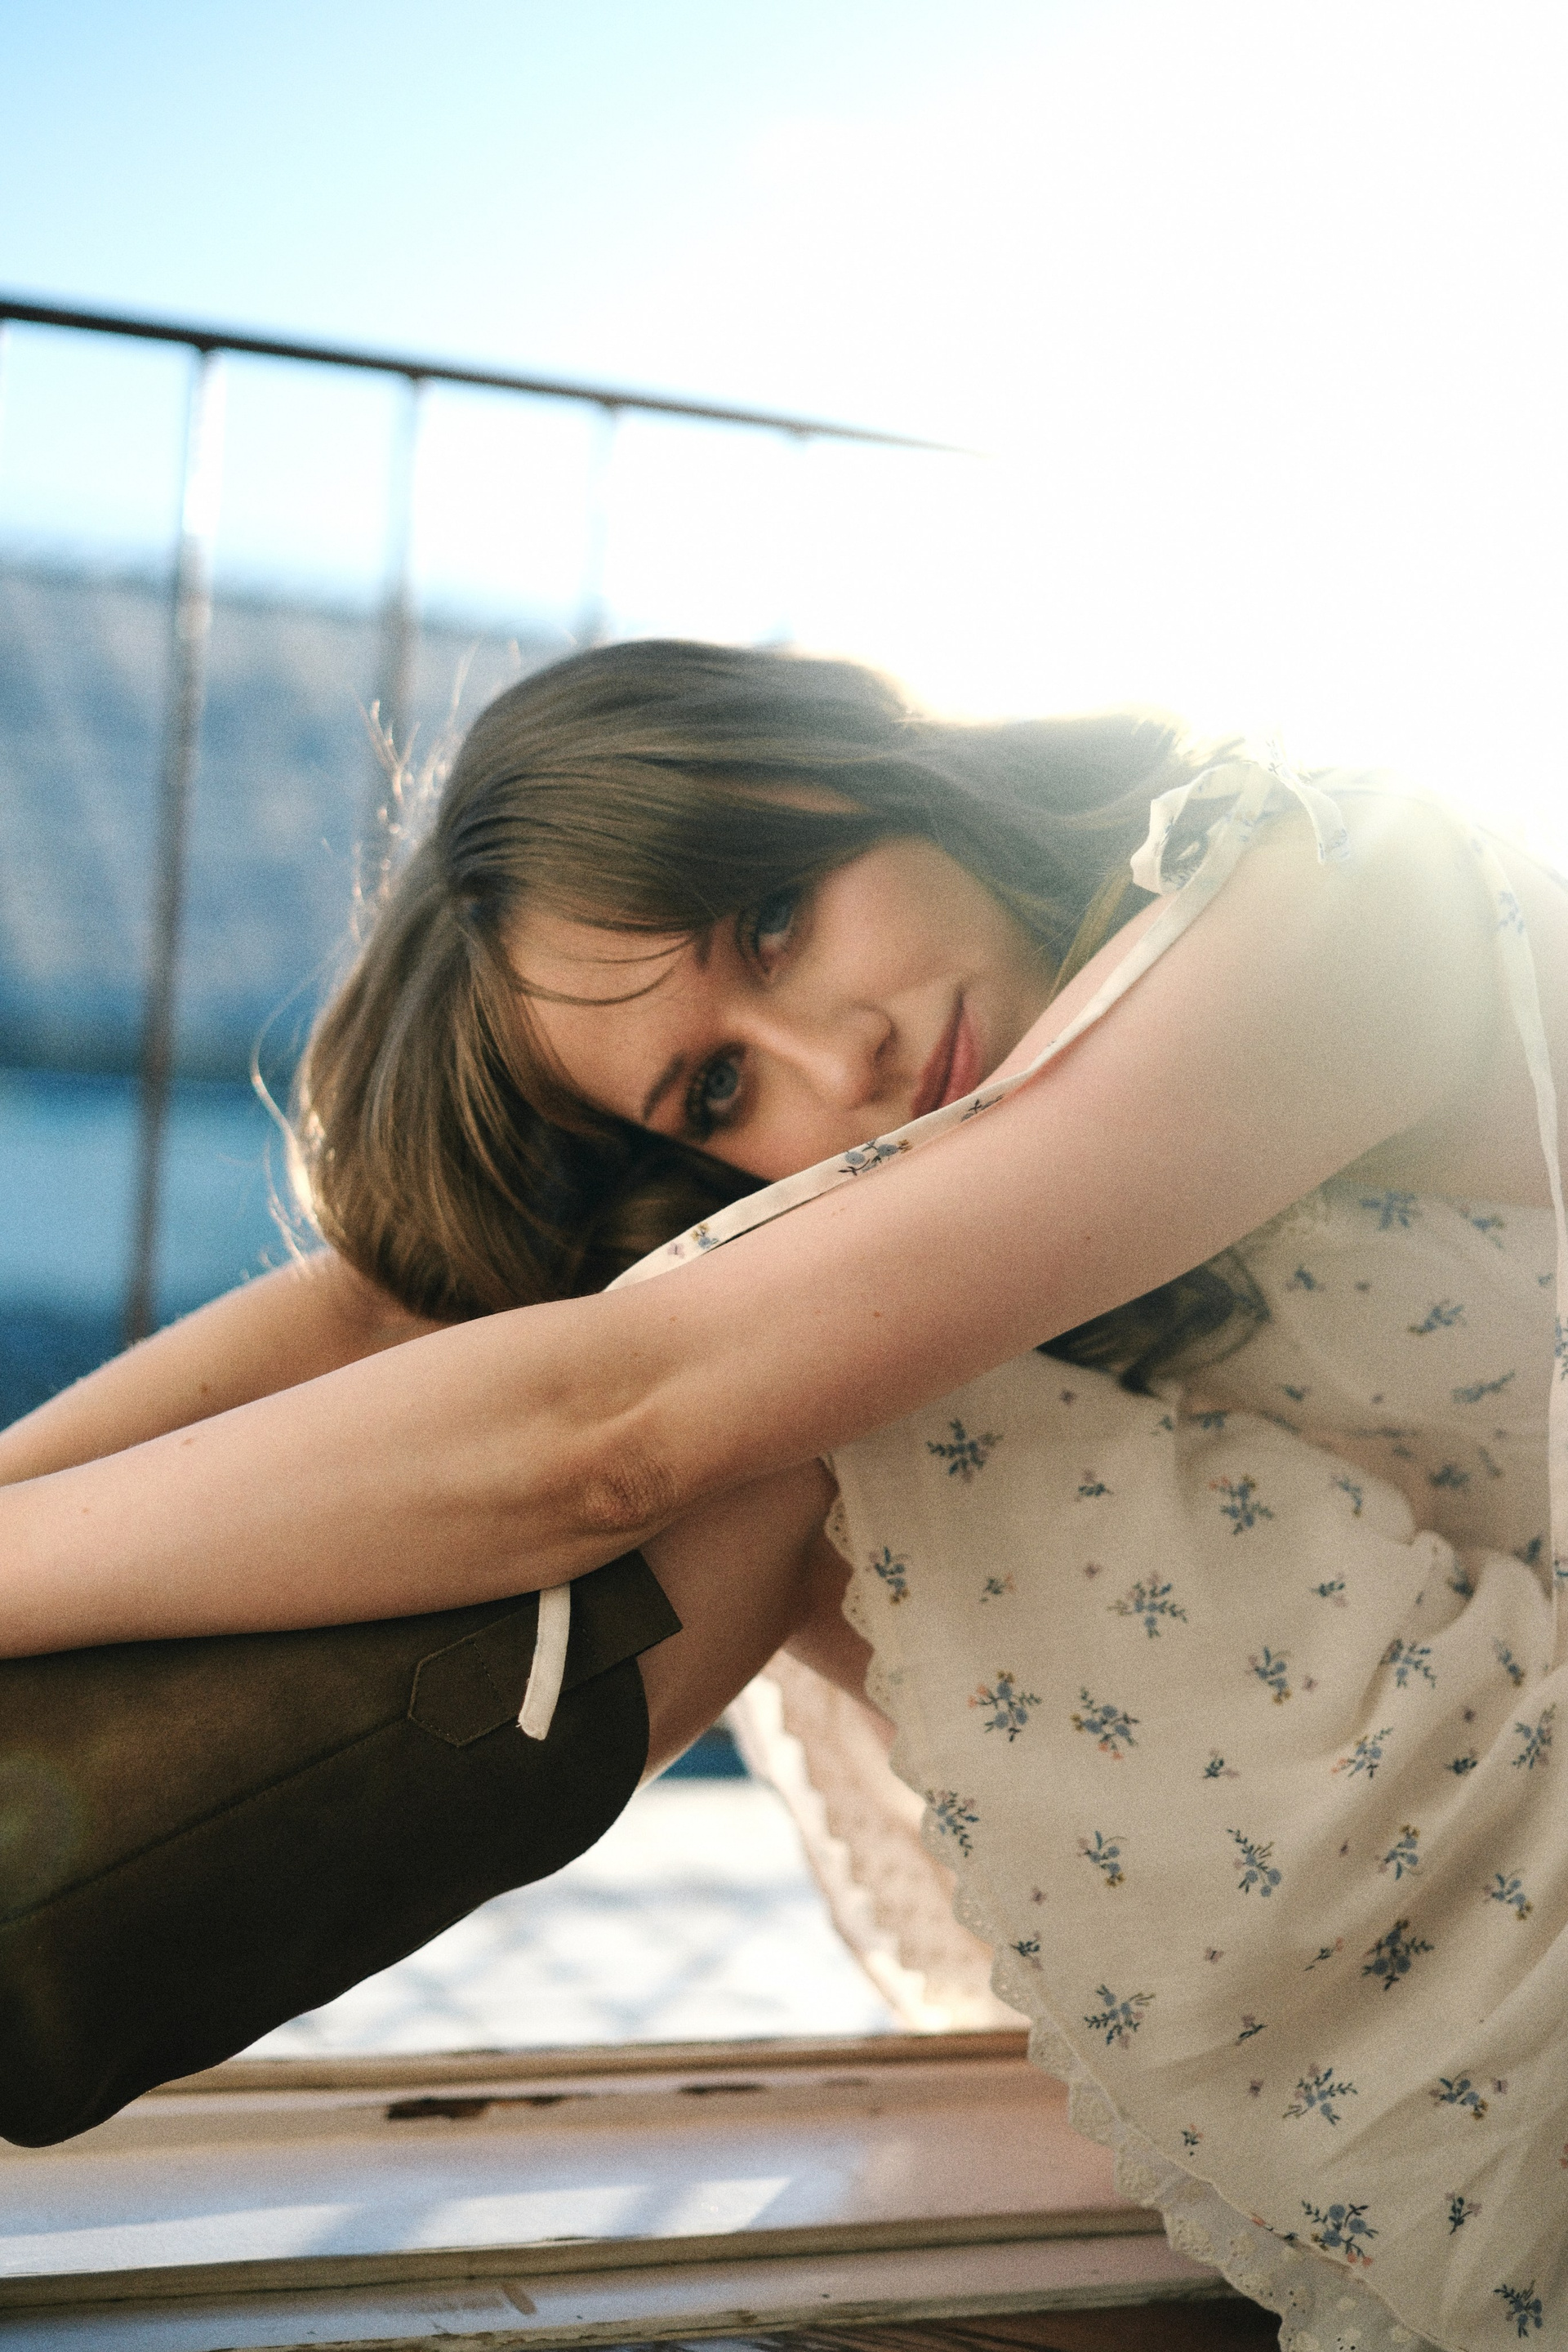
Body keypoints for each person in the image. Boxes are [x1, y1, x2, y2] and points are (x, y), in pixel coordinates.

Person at [1, 641, 1563, 2350]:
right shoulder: (972, 1137)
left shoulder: (1350, 890)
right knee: (618, 1334)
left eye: (772, 919)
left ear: (847, 754)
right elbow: (393, 1306)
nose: (843, 1060)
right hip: (1448, 1784)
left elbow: (615, 1429)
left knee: (764, 1434)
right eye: (721, 1090)